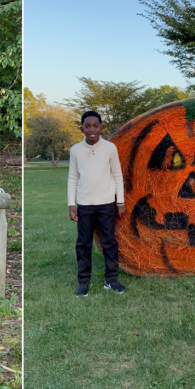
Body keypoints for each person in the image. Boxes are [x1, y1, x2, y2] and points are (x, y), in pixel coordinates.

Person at [68, 111, 127, 297]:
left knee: (109, 242)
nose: (92, 129)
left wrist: (121, 201)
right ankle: (83, 282)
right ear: (82, 129)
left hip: (106, 203)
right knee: (83, 243)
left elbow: (117, 175)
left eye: (96, 126)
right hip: (85, 204)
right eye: (88, 126)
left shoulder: (110, 148)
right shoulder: (75, 150)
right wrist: (71, 203)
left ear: (102, 128)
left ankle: (112, 280)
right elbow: (72, 177)